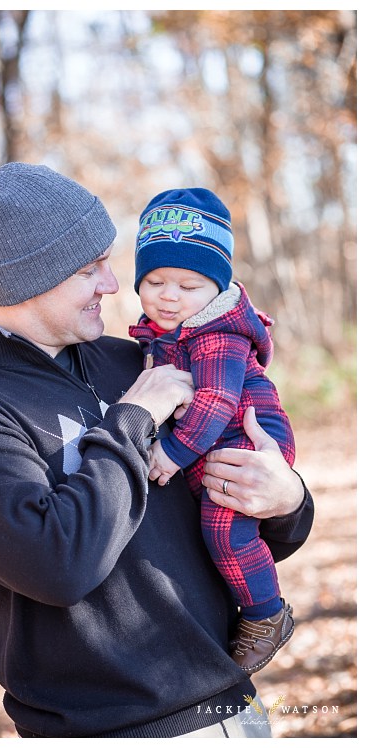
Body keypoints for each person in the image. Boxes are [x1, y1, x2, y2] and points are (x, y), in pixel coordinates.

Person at [0, 163, 314, 738]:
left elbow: (257, 525)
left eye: (107, 261)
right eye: (88, 269)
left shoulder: (131, 360)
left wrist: (286, 499)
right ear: (30, 279)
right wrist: (133, 420)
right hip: (113, 729)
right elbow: (58, 565)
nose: (112, 283)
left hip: (236, 712)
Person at [129, 188, 297, 673]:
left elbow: (218, 400)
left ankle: (267, 615)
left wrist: (173, 453)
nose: (168, 295)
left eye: (188, 285)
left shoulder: (216, 332)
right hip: (214, 437)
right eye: (155, 280)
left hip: (247, 435)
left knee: (223, 527)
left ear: (217, 289)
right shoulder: (168, 332)